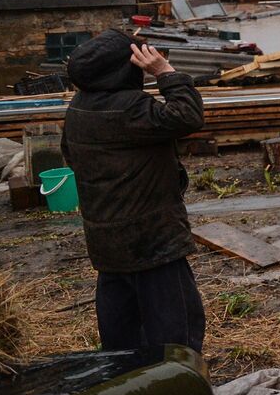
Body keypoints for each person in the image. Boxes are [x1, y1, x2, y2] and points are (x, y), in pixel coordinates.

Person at [61, 30, 207, 353]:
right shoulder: (131, 108)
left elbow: (70, 157)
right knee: (176, 342)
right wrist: (165, 72)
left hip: (107, 248)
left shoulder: (77, 110)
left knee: (121, 345)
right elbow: (189, 115)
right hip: (153, 245)